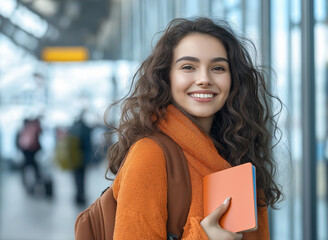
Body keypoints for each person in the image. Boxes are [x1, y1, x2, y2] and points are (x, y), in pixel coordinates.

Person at [105, 17, 282, 239]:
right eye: (188, 67)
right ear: (166, 76)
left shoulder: (238, 149)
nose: (204, 79)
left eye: (218, 67)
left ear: (233, 79)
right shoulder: (149, 154)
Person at [17, 118, 42, 194]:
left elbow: (18, 144)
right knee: (35, 168)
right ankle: (37, 181)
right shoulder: (33, 130)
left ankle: (26, 182)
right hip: (32, 153)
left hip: (26, 154)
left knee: (26, 168)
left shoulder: (22, 131)